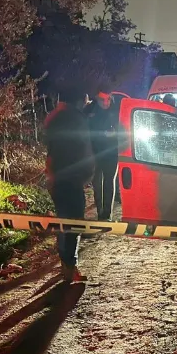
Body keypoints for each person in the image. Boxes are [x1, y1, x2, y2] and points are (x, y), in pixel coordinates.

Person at [45, 87, 94, 282]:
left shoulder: (53, 116)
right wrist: (88, 171)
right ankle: (69, 267)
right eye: (85, 100)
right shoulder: (77, 118)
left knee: (63, 220)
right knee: (74, 222)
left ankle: (65, 264)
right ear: (80, 99)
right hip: (72, 177)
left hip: (55, 176)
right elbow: (85, 147)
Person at [86, 90, 120, 221]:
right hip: (94, 152)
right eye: (102, 100)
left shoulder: (115, 111)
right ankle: (100, 212)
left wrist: (115, 134)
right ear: (96, 98)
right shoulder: (89, 110)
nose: (106, 103)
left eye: (108, 99)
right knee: (97, 182)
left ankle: (107, 214)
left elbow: (123, 130)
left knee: (109, 181)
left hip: (111, 152)